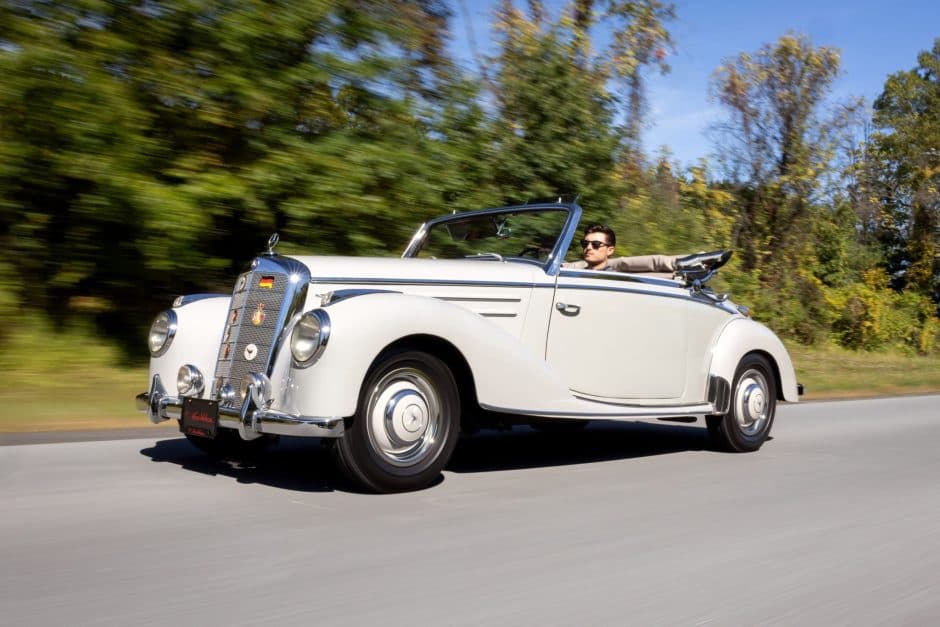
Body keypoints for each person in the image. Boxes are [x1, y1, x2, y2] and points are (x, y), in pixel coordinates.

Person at [562, 224, 730, 274]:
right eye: (585, 244)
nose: (588, 248)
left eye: (596, 244)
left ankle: (698, 260)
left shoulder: (617, 272)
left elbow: (655, 263)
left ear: (610, 250)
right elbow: (570, 266)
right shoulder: (576, 270)